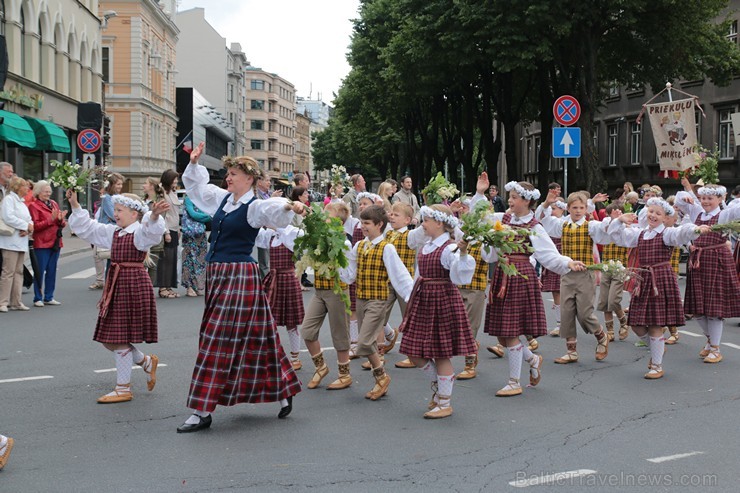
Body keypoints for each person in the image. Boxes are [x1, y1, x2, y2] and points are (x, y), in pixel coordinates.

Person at [178, 143, 304, 432]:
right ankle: (285, 391)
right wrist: (195, 164)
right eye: (228, 173)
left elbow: (275, 211)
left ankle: (201, 410)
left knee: (215, 339)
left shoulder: (254, 206)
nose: (229, 178)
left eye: (233, 173)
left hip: (239, 275)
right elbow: (198, 190)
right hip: (219, 275)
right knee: (261, 337)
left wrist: (289, 205)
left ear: (249, 178)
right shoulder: (224, 200)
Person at [471, 175, 584, 396]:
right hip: (503, 275)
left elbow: (548, 254)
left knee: (511, 332)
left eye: (514, 197)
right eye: (510, 197)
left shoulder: (534, 226)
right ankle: (532, 359)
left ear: (526, 201)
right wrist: (480, 194)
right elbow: (479, 219)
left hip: (520, 278)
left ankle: (514, 381)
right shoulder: (503, 219)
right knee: (503, 335)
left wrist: (567, 262)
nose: (510, 200)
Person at [67, 189, 168, 402]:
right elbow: (88, 228)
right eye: (115, 209)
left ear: (134, 214)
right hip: (118, 283)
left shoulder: (139, 232)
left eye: (120, 210)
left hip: (132, 284)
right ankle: (146, 362)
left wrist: (155, 215)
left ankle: (123, 388)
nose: (116, 213)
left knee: (119, 338)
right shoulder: (114, 232)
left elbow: (152, 233)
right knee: (109, 339)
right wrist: (76, 206)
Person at [608, 198, 705, 378]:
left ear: (664, 218)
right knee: (636, 324)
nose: (653, 215)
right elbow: (617, 236)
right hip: (643, 279)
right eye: (651, 211)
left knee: (655, 324)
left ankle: (657, 365)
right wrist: (619, 220)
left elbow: (682, 233)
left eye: (658, 213)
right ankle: (657, 347)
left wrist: (696, 229)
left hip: (660, 279)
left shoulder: (667, 234)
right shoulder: (640, 233)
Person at [398, 205, 476, 418]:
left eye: (426, 220)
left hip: (442, 300)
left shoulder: (449, 248)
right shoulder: (427, 245)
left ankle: (445, 402)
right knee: (413, 351)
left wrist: (462, 253)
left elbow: (461, 276)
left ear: (439, 223)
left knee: (441, 354)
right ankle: (440, 384)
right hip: (424, 299)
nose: (422, 223)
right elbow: (418, 274)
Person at [339, 205, 414, 401]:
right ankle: (381, 378)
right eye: (362, 222)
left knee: (364, 342)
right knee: (368, 342)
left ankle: (381, 376)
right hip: (362, 299)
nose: (363, 226)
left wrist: (412, 295)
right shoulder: (360, 246)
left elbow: (399, 274)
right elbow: (349, 275)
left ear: (380, 225)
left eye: (367, 223)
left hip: (378, 300)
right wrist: (338, 262)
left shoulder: (387, 247)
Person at [537, 189, 612, 365]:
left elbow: (605, 230)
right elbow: (542, 219)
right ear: (568, 208)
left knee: (585, 313)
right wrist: (547, 203)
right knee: (567, 312)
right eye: (574, 207)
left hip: (585, 274)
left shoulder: (590, 226)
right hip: (567, 273)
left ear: (586, 209)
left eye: (581, 207)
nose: (578, 211)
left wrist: (615, 220)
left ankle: (601, 336)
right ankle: (571, 351)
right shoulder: (562, 225)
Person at [675, 184, 740, 363]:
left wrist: (727, 201)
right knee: (697, 309)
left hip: (717, 260)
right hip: (698, 261)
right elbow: (679, 198)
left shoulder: (724, 214)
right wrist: (687, 197)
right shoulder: (697, 213)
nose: (705, 202)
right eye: (703, 198)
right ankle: (711, 341)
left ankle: (716, 349)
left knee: (714, 309)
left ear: (720, 199)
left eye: (710, 198)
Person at [300, 202, 354, 390]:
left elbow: (347, 269)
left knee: (340, 333)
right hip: (320, 290)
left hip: (337, 290)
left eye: (326, 216)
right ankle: (321, 367)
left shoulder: (344, 241)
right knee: (307, 330)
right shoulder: (317, 238)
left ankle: (344, 374)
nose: (322, 218)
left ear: (338, 222)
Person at [256, 221, 305, 370]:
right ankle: (272, 355)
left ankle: (295, 357)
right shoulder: (271, 235)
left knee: (292, 320)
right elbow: (255, 233)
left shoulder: (291, 233)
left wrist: (277, 226)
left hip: (288, 278)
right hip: (274, 280)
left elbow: (300, 237)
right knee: (269, 319)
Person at [28, 181, 67, 307]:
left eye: (49, 191)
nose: (48, 193)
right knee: (40, 271)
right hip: (42, 242)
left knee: (52, 271)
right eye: (45, 191)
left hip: (55, 241)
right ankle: (37, 297)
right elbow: (36, 226)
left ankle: (49, 296)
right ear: (38, 192)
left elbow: (61, 223)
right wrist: (51, 220)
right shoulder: (34, 206)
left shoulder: (54, 203)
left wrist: (61, 220)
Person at [595, 204, 631, 342]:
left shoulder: (625, 229)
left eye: (620, 212)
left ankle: (623, 322)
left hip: (620, 268)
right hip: (606, 268)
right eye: (614, 213)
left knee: (614, 300)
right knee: (604, 301)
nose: (617, 214)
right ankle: (610, 330)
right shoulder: (605, 229)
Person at [0, 177, 33, 312]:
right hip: (10, 241)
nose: (27, 189)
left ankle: (16, 301)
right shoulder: (9, 200)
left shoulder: (21, 202)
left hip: (21, 240)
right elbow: (8, 217)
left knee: (19, 272)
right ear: (18, 187)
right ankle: (3, 302)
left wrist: (29, 228)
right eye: (25, 186)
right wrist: (25, 226)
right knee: (8, 272)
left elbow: (29, 219)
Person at [541, 198, 568, 337]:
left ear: (562, 209)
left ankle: (567, 320)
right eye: (550, 208)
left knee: (566, 292)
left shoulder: (566, 222)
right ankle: (560, 323)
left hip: (566, 259)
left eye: (555, 208)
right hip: (553, 259)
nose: (552, 211)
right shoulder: (548, 224)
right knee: (556, 292)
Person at [157, 169, 181, 298]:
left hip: (174, 229)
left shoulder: (173, 193)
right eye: (174, 179)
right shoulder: (163, 194)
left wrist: (178, 229)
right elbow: (163, 215)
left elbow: (175, 214)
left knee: (172, 260)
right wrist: (166, 232)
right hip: (166, 230)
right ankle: (162, 288)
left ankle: (169, 286)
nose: (176, 181)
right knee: (165, 260)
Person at [181, 195, 210, 297]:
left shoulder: (201, 198)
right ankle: (189, 286)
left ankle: (197, 285)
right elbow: (193, 214)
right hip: (190, 233)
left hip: (200, 232)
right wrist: (208, 216)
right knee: (189, 259)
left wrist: (206, 215)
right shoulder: (189, 198)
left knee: (200, 260)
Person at [142, 177, 165, 284]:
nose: (143, 185)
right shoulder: (142, 201)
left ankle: (149, 289)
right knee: (141, 265)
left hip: (154, 237)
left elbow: (162, 218)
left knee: (152, 266)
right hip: (142, 237)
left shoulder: (160, 201)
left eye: (145, 183)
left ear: (151, 186)